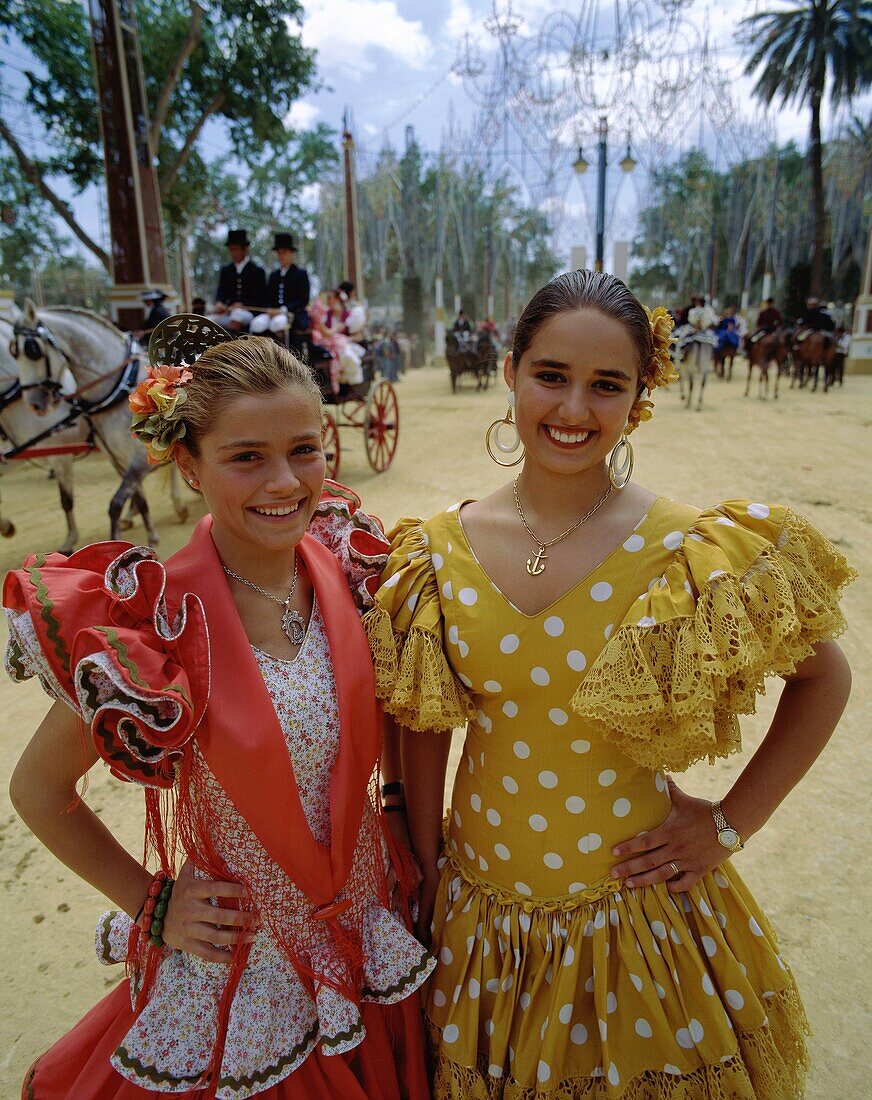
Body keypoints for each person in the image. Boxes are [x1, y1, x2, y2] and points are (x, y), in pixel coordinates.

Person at [364, 269, 854, 1098]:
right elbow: (424, 722)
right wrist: (426, 867)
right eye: (551, 376)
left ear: (640, 395)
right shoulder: (436, 552)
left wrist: (730, 825)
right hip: (479, 918)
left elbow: (825, 679)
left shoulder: (687, 551)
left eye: (607, 385)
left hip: (635, 919)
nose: (573, 410)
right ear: (510, 369)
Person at [6, 331, 434, 1097]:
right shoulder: (153, 621)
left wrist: (395, 805)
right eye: (245, 457)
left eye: (305, 449)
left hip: (371, 928)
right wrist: (151, 902)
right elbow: (38, 791)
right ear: (188, 464)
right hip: (247, 971)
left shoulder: (350, 566)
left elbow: (396, 709)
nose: (284, 481)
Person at [250, 233, 310, 339]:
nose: (281, 256)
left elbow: (303, 300)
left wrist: (283, 310)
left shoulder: (300, 274)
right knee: (256, 323)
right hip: (273, 313)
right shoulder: (274, 275)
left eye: (284, 252)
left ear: (291, 253)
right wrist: (269, 309)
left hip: (291, 314)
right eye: (279, 253)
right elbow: (268, 297)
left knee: (277, 323)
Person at [209, 229, 267, 332]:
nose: (233, 253)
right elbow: (221, 292)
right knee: (207, 323)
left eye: (236, 249)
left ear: (245, 249)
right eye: (231, 250)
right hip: (229, 312)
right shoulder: (226, 270)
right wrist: (219, 303)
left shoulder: (257, 271)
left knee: (237, 317)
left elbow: (261, 298)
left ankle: (233, 345)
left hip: (249, 312)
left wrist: (243, 304)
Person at [310, 289, 365, 386]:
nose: (330, 301)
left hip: (348, 343)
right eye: (329, 299)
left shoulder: (348, 315)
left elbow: (358, 335)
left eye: (332, 298)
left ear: (339, 301)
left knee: (345, 351)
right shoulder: (327, 314)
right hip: (330, 342)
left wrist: (348, 338)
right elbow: (325, 332)